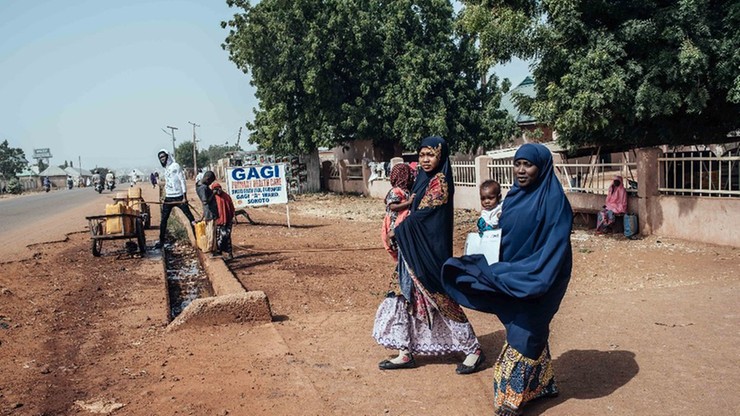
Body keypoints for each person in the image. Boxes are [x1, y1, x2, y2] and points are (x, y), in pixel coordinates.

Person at [441, 143, 573, 416]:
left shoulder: (555, 202)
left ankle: (510, 397)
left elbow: (555, 244)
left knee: (527, 327)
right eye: (518, 164)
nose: (521, 170)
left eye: (528, 165)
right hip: (515, 271)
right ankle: (542, 384)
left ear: (543, 167)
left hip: (545, 273)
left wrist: (536, 275)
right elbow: (503, 234)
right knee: (528, 324)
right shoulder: (512, 197)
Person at [372, 136, 484, 374]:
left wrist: (399, 230)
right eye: (422, 155)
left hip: (429, 252)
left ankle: (472, 349)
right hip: (411, 250)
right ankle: (405, 351)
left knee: (441, 299)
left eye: (430, 155)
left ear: (440, 156)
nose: (425, 160)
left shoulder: (440, 181)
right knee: (403, 297)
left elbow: (425, 215)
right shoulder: (422, 179)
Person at [156, 149, 196, 250]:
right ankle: (161, 241)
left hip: (179, 196)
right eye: (160, 158)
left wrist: (184, 197)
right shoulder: (165, 169)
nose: (162, 159)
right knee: (164, 220)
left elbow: (182, 180)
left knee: (190, 217)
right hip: (169, 197)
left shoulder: (175, 166)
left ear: (167, 156)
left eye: (163, 157)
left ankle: (197, 238)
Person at [381, 163, 415, 260]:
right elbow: (393, 206)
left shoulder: (406, 190)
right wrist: (409, 202)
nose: (412, 177)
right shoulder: (395, 191)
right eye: (409, 175)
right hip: (394, 223)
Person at [195, 171, 218, 254]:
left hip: (208, 212)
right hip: (210, 213)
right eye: (211, 181)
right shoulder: (203, 188)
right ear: (207, 179)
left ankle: (212, 249)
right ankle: (210, 250)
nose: (210, 184)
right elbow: (205, 202)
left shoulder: (199, 184)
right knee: (210, 233)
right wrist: (213, 194)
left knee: (211, 232)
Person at [211, 181, 235, 259]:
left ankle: (229, 253)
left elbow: (231, 208)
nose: (218, 190)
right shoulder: (213, 198)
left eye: (219, 188)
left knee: (227, 237)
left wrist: (231, 217)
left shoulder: (226, 196)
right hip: (218, 221)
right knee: (218, 238)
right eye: (216, 189)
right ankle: (219, 252)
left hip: (227, 220)